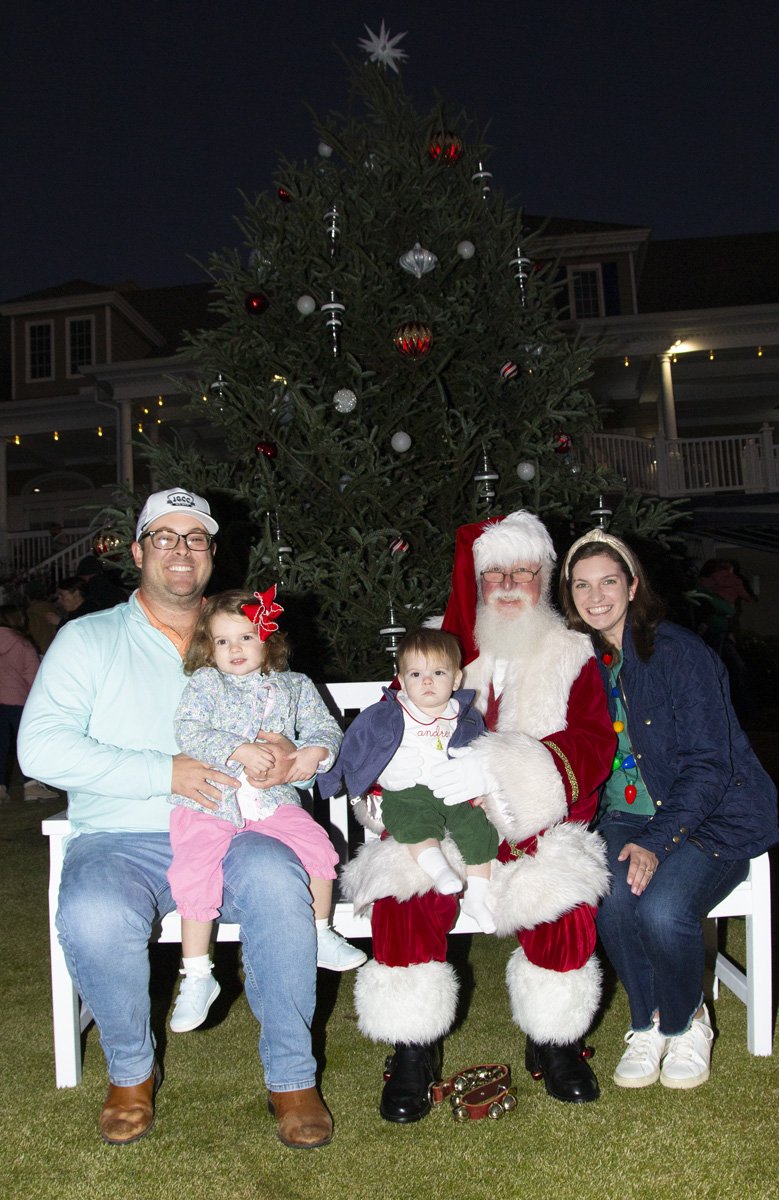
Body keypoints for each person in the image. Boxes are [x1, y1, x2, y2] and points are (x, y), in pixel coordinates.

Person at [19, 487, 334, 1150]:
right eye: (164, 536)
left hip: (239, 826)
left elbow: (300, 727)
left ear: (212, 555)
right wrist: (165, 771)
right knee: (94, 913)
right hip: (122, 833)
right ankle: (131, 1072)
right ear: (137, 552)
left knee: (281, 882)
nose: (180, 550)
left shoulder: (246, 638)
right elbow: (39, 747)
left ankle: (291, 1076)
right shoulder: (89, 639)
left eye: (195, 537)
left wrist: (287, 755)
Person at [341, 511, 615, 1120]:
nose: (510, 583)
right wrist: (385, 794)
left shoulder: (573, 654)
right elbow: (389, 731)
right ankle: (413, 1049)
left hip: (530, 821)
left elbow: (594, 744)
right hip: (438, 822)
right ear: (478, 580)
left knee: (561, 901)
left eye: (524, 570)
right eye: (496, 574)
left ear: (544, 578)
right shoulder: (440, 649)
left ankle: (555, 1041)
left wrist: (500, 772)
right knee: (402, 895)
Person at [559, 527, 778, 1090]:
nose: (596, 595)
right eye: (582, 585)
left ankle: (687, 1023)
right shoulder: (580, 660)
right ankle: (647, 1022)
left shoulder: (679, 653)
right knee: (611, 904)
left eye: (609, 581)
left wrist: (657, 842)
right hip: (626, 814)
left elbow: (710, 764)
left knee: (661, 911)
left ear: (633, 587)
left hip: (715, 812)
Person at [167, 586, 365, 1034]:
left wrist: (313, 753)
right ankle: (198, 975)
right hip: (210, 797)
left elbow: (323, 729)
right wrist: (237, 749)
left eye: (245, 637)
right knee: (194, 868)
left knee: (318, 845)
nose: (234, 649)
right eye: (222, 641)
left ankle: (318, 933)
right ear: (208, 647)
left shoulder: (295, 686)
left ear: (268, 639)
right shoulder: (205, 684)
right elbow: (188, 729)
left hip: (270, 802)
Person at [319, 628, 499, 934]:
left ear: (456, 679)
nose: (427, 681)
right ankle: (440, 871)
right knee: (413, 822)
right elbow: (354, 744)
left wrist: (485, 785)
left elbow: (486, 753)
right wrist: (337, 777)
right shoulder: (390, 713)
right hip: (407, 792)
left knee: (480, 832)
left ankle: (477, 898)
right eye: (416, 674)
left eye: (438, 672)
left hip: (453, 792)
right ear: (402, 681)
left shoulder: (466, 716)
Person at [0, 605, 58, 803]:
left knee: (1, 745)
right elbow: (32, 676)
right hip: (19, 701)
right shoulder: (22, 644)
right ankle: (31, 785)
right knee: (26, 745)